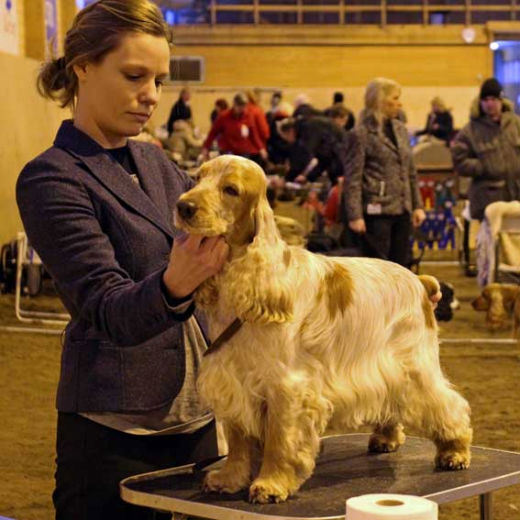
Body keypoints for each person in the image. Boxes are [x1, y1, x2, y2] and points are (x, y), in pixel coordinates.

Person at [16, 2, 229, 519]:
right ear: (82, 67)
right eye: (135, 76)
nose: (152, 96)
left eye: (159, 79)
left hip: (200, 422)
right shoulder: (53, 177)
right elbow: (106, 308)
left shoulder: (156, 161)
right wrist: (175, 283)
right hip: (116, 438)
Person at [343, 77, 426, 267]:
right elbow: (353, 178)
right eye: (395, 98)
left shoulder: (401, 129)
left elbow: (410, 171)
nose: (400, 103)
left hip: (402, 209)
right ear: (381, 100)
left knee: (402, 267)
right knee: (378, 269)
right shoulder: (360, 134)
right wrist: (355, 215)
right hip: (376, 213)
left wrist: (417, 205)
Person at [451, 77, 520, 221]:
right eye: (485, 100)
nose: (490, 104)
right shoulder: (470, 131)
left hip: (516, 195)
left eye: (494, 99)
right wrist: (482, 167)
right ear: (480, 102)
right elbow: (459, 160)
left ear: (501, 101)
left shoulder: (515, 124)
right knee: (491, 241)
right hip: (487, 200)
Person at [278, 114, 348, 186]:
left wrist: (286, 179)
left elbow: (304, 156)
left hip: (343, 158)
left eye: (286, 138)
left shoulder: (307, 129)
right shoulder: (309, 128)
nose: (288, 142)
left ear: (290, 131)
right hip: (341, 157)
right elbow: (324, 160)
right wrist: (308, 178)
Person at [201, 92, 267, 165]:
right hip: (227, 152)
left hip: (243, 153)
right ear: (234, 104)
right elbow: (213, 133)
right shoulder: (223, 117)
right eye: (239, 106)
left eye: (243, 106)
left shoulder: (248, 116)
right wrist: (206, 148)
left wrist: (261, 148)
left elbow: (254, 135)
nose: (241, 109)